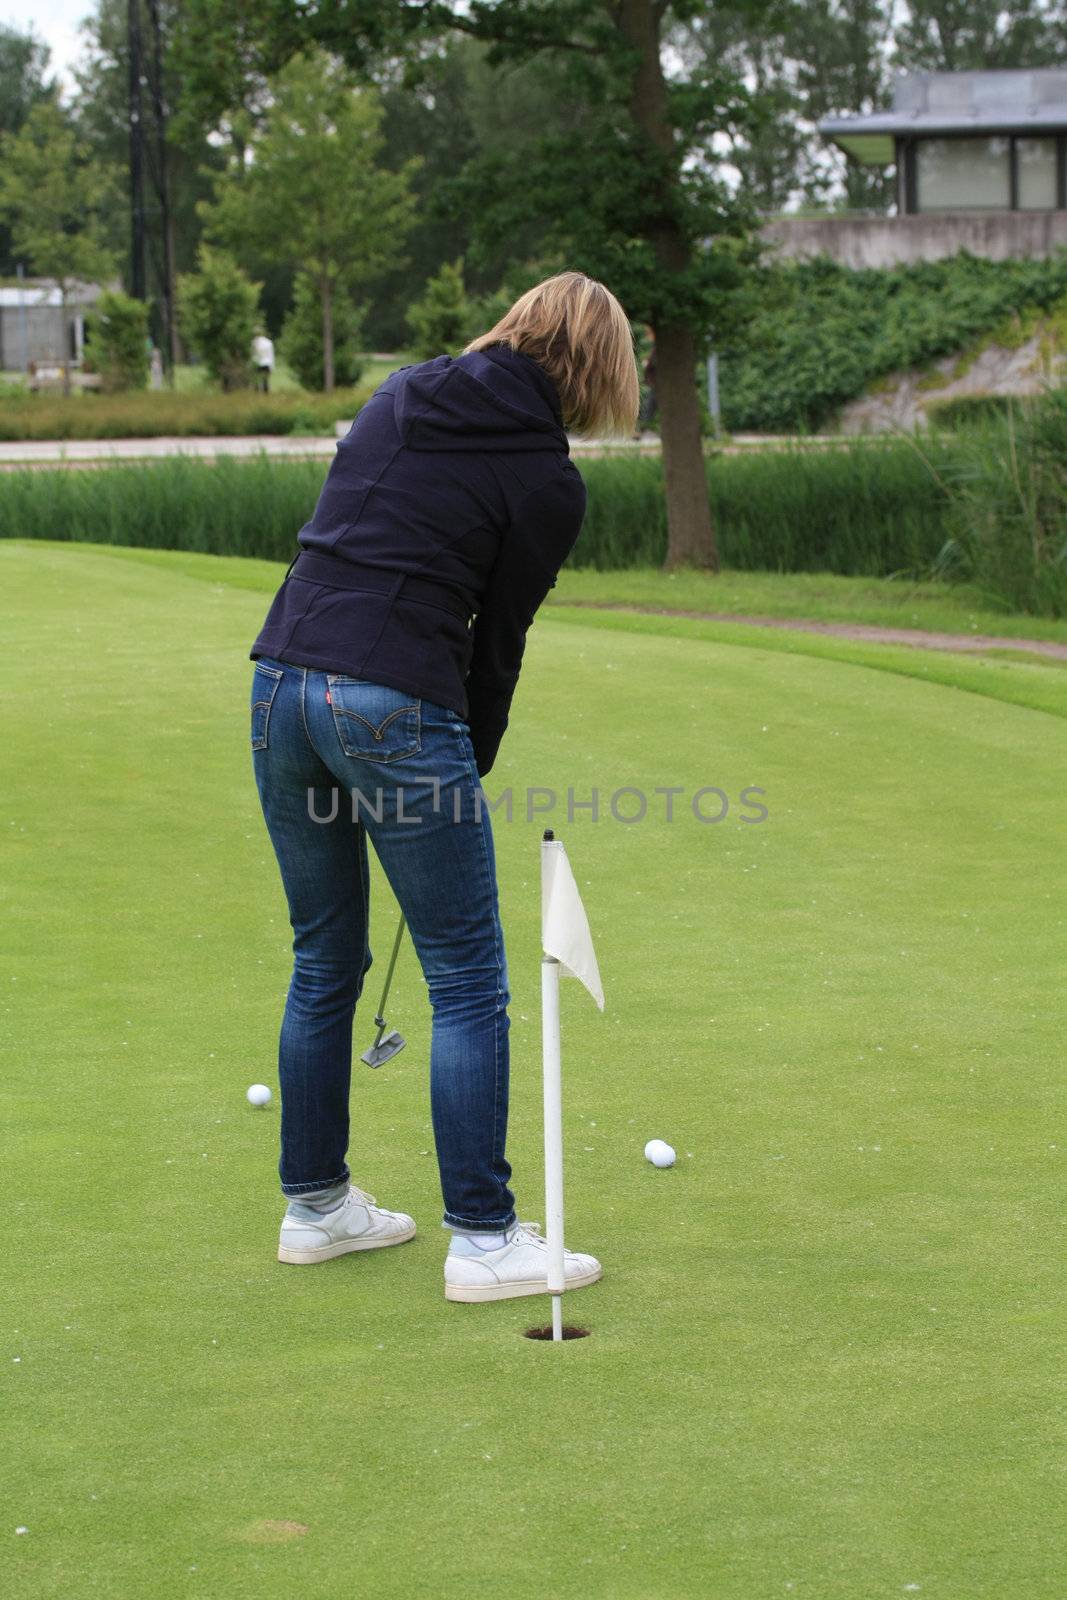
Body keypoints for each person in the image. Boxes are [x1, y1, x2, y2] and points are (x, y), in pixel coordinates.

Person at [248, 270, 639, 1304]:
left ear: (517, 326)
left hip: (279, 683)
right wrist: (471, 748)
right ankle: (482, 1236)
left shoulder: (400, 393)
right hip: (392, 704)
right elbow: (495, 644)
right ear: (598, 370)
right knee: (468, 978)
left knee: (323, 958)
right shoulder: (549, 482)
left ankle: (317, 1208)